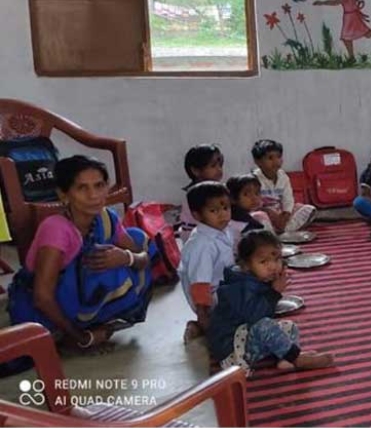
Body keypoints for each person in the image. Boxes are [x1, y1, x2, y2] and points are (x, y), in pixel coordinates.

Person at [6, 156, 154, 351]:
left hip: (75, 299)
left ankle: (91, 322)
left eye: (99, 185)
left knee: (139, 240)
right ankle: (69, 333)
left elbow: (143, 258)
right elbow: (42, 297)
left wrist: (126, 257)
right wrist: (83, 339)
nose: (93, 195)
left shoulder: (106, 217)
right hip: (38, 314)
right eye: (82, 188)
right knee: (102, 270)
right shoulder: (57, 229)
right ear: (64, 194)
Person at [208, 230, 335, 375]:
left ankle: (286, 359)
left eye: (276, 259)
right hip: (233, 350)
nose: (272, 266)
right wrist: (274, 293)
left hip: (248, 339)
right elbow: (255, 317)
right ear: (246, 266)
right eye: (263, 262)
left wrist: (273, 291)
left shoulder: (258, 279)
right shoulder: (239, 286)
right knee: (266, 326)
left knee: (289, 326)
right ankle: (297, 359)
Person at [178, 181, 234, 342]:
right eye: (213, 210)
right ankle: (199, 326)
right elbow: (200, 285)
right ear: (197, 215)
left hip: (223, 286)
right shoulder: (202, 245)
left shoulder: (222, 230)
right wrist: (204, 317)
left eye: (225, 208)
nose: (223, 214)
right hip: (210, 298)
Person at [251, 139, 316, 233]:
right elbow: (252, 205)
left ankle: (283, 230)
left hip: (281, 214)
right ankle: (271, 233)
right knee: (258, 216)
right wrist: (270, 213)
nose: (276, 161)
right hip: (265, 214)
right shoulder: (253, 179)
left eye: (278, 157)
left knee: (308, 209)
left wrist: (285, 215)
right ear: (258, 162)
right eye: (270, 158)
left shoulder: (283, 177)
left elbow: (288, 200)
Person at [178, 144, 224, 240]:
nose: (219, 169)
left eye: (220, 165)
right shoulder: (197, 194)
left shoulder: (218, 189)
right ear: (195, 170)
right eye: (213, 166)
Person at [226, 174, 270, 254]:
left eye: (257, 193)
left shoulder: (229, 216)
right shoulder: (248, 225)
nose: (254, 198)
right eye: (246, 194)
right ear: (232, 198)